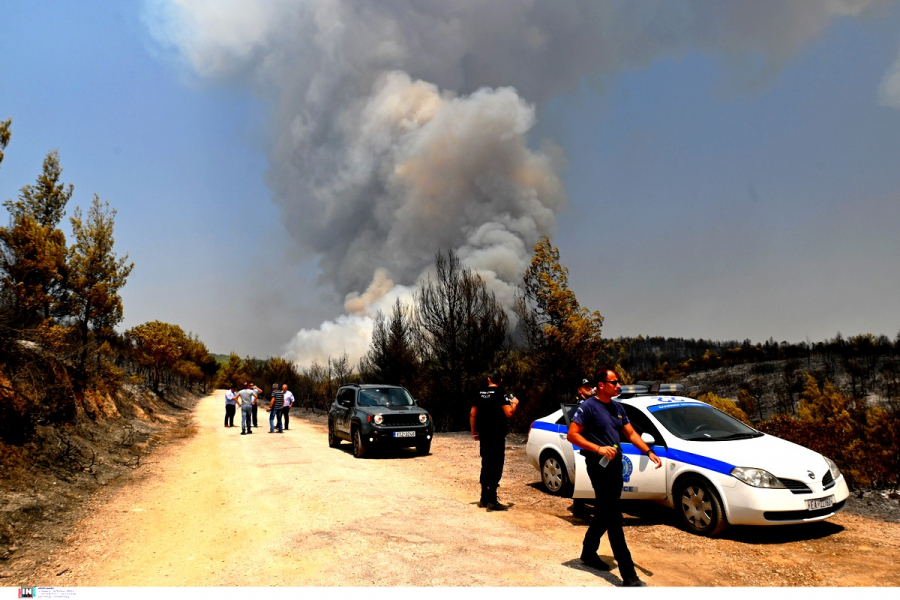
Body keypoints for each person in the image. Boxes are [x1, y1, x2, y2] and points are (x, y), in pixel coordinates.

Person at [566, 367, 661, 587]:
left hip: (615, 464)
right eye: (614, 382)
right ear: (601, 385)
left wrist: (648, 451)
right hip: (598, 465)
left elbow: (631, 433)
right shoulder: (588, 407)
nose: (618, 385)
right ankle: (628, 575)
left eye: (618, 382)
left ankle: (588, 553)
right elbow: (572, 435)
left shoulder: (618, 408)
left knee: (604, 511)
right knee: (613, 516)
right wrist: (598, 449)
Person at [470, 370, 519, 511]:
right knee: (496, 465)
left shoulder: (480, 392)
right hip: (497, 434)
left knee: (486, 463)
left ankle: (484, 497)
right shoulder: (500, 393)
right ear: (501, 380)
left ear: (488, 379)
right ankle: (492, 498)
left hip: (484, 434)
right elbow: (509, 412)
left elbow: (473, 413)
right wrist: (514, 403)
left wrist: (474, 431)